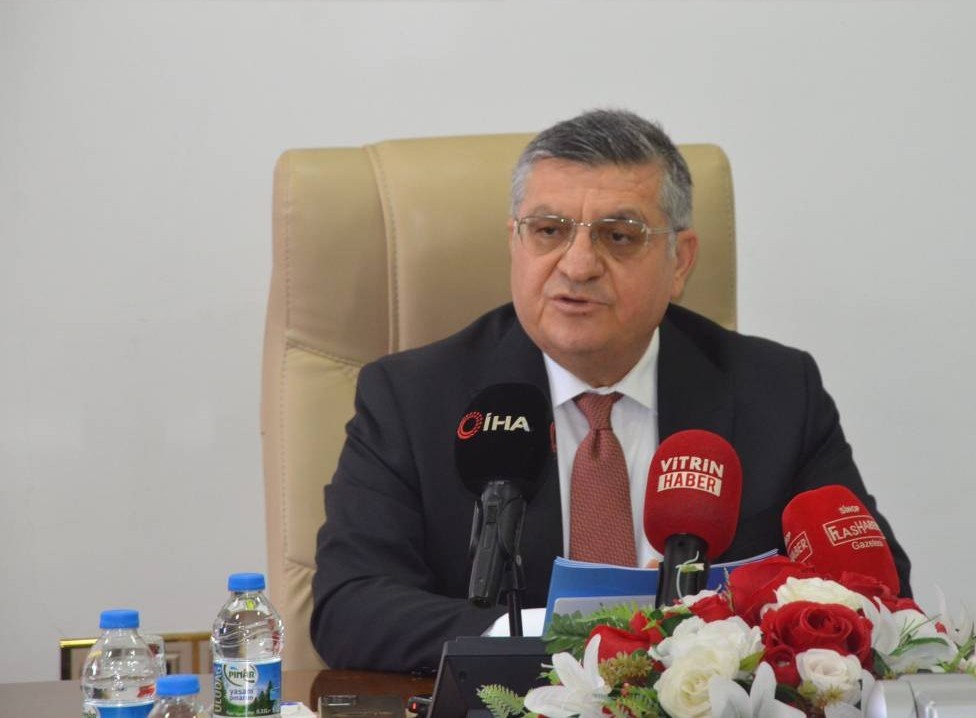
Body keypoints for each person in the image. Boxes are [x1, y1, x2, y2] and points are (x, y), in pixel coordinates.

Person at [311, 109, 911, 672]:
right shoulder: (412, 398)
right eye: (548, 231)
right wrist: (556, 639)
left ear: (680, 261)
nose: (577, 266)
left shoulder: (776, 392)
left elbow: (877, 594)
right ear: (514, 243)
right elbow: (350, 605)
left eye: (619, 236)